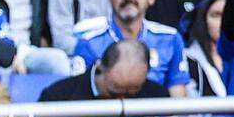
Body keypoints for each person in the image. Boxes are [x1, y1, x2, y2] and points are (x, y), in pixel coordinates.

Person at [68, 0, 189, 96]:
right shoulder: (89, 42)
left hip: (156, 116)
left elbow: (177, 97)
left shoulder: (170, 38)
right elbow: (78, 95)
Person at [36, 36, 167, 100]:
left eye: (131, 94)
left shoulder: (157, 97)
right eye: (114, 93)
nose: (122, 101)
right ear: (99, 67)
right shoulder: (58, 98)